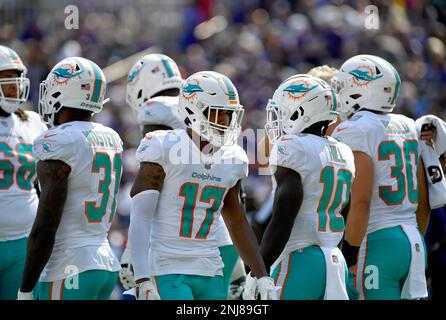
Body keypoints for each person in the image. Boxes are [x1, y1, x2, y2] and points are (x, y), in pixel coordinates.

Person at [128, 71, 277, 300]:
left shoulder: (233, 158)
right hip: (168, 268)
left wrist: (261, 274)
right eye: (218, 115)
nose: (225, 123)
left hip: (211, 269)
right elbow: (140, 215)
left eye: (228, 116)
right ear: (193, 110)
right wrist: (142, 278)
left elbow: (236, 222)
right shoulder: (163, 146)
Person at [121, 54, 243, 299]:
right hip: (217, 236)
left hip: (178, 248)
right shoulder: (208, 101)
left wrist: (133, 255)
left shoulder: (156, 111)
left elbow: (151, 193)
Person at [18, 57, 123, 300]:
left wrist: (25, 290)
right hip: (104, 264)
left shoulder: (58, 140)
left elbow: (46, 225)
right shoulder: (111, 137)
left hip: (69, 266)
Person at [245, 74, 354, 300]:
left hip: (298, 260)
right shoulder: (343, 150)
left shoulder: (292, 146)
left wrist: (259, 272)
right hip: (333, 261)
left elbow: (283, 218)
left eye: (282, 111)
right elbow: (343, 209)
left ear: (300, 111)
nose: (278, 118)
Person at [332, 54, 430, 300]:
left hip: (376, 242)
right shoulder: (409, 125)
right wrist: (414, 236)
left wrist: (350, 257)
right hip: (414, 242)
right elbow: (424, 200)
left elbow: (361, 202)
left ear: (360, 91)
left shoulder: (354, 129)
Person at [0, 45, 47, 300]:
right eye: (6, 79)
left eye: (17, 79)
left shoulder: (33, 122)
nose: (14, 86)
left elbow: (45, 185)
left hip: (23, 242)